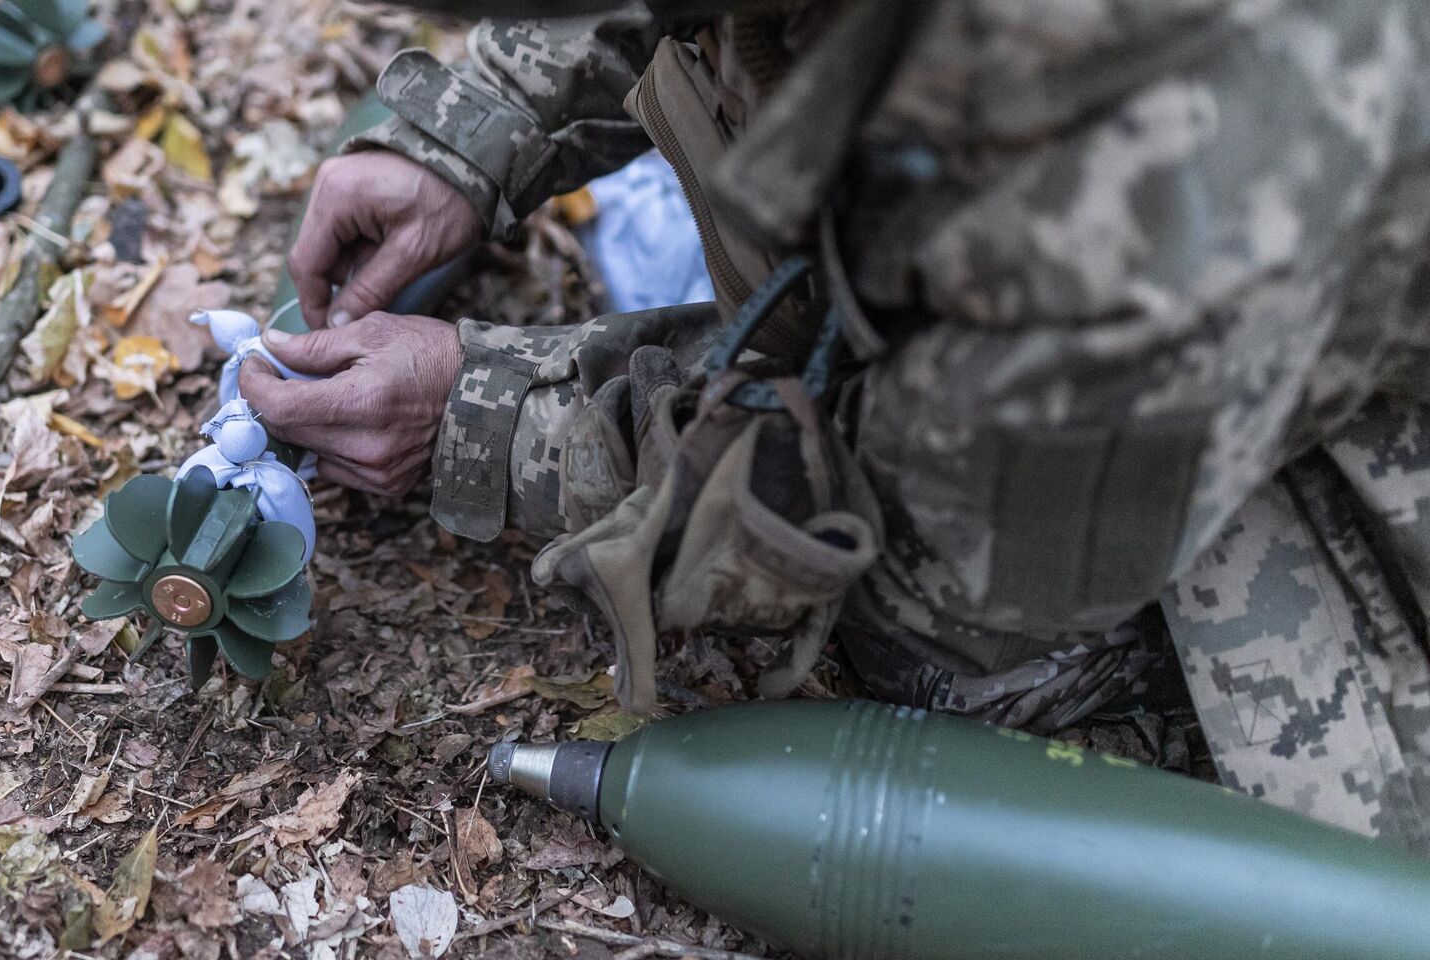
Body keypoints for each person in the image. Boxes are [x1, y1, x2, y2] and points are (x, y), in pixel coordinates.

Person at [238, 0, 1430, 853]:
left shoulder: (1135, 163)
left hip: (1227, 406)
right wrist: (482, 121)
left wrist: (489, 413)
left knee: (941, 674)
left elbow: (911, 550)